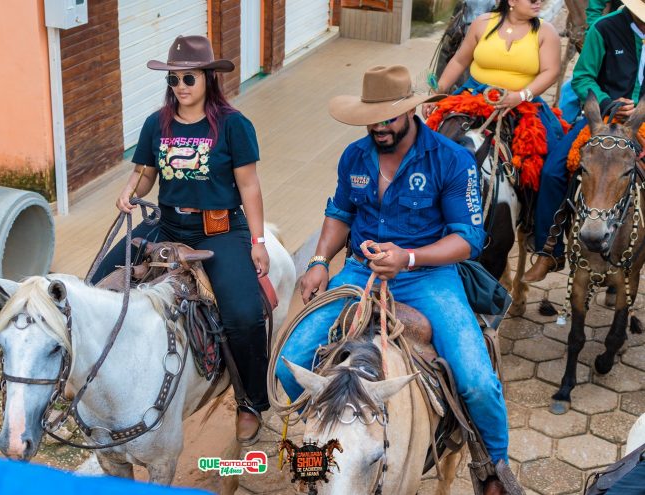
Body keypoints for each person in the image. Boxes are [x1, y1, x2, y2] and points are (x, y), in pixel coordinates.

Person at [275, 65, 513, 495]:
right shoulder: (355, 156)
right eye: (374, 117)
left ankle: (494, 465)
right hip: (358, 273)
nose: (380, 126)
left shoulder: (450, 160)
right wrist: (318, 260)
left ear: (412, 110)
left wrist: (407, 257)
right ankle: (328, 451)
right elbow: (340, 213)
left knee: (476, 381)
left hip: (428, 277)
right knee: (288, 367)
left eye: (389, 116)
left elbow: (469, 239)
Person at [89, 35, 269, 446]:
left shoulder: (233, 126)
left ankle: (252, 401)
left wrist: (257, 240)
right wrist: (130, 190)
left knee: (242, 313)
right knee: (98, 283)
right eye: (173, 79)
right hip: (167, 226)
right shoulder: (157, 123)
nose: (181, 86)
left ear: (208, 78)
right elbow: (146, 174)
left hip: (220, 230)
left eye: (189, 77)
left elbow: (250, 187)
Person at [424, 0, 566, 275]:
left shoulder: (546, 32)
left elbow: (551, 71)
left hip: (523, 102)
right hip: (474, 96)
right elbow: (460, 60)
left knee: (551, 163)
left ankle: (541, 237)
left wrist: (520, 95)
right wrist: (437, 92)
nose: (539, 2)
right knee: (429, 144)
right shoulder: (482, 24)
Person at [523, 0, 645, 281]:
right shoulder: (604, 28)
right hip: (602, 119)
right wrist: (608, 102)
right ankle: (548, 251)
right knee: (553, 171)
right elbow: (582, 78)